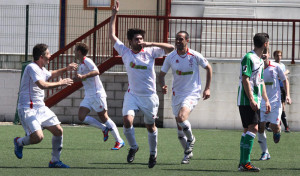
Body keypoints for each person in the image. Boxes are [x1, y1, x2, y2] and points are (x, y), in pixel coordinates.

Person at [109, 1, 174, 168]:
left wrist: (151, 43)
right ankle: (133, 147)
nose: (140, 41)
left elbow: (171, 48)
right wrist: (114, 14)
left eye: (141, 38)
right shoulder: (125, 52)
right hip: (132, 95)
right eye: (137, 39)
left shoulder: (150, 51)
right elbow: (112, 36)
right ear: (130, 41)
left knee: (150, 126)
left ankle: (153, 154)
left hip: (149, 96)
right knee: (126, 120)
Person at [14, 43, 78, 168]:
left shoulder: (41, 69)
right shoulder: (31, 67)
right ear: (41, 57)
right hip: (28, 108)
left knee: (58, 130)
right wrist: (61, 82)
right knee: (38, 137)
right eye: (48, 54)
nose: (50, 56)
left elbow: (51, 74)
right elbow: (42, 85)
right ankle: (19, 142)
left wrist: (66, 69)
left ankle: (54, 161)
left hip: (41, 108)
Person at [158, 31, 212, 164]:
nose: (178, 41)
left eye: (180, 39)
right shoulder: (170, 57)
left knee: (182, 118)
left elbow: (208, 68)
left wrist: (207, 88)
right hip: (177, 94)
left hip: (192, 93)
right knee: (179, 130)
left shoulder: (194, 55)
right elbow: (161, 74)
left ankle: (192, 139)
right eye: (176, 39)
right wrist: (162, 85)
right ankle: (187, 154)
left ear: (187, 40)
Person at [73, 42, 124, 150]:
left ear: (79, 52)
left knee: (104, 117)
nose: (73, 52)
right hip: (88, 95)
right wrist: (73, 79)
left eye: (75, 50)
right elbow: (82, 78)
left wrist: (83, 76)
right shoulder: (81, 65)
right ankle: (104, 129)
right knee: (81, 117)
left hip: (97, 94)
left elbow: (96, 71)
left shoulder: (87, 60)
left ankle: (119, 141)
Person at [237, 33, 271, 172]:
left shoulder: (260, 60)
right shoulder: (248, 57)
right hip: (246, 100)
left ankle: (242, 163)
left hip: (255, 100)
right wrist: (251, 99)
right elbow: (245, 79)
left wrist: (266, 100)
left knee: (247, 130)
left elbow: (260, 82)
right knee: (254, 128)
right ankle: (245, 163)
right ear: (265, 44)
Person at [257, 48, 292, 161]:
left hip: (275, 102)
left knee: (274, 126)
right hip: (261, 102)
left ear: (268, 54)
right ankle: (265, 152)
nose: (263, 55)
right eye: (261, 53)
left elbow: (285, 80)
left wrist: (287, 95)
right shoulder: (257, 68)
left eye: (265, 53)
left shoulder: (276, 67)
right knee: (260, 127)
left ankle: (278, 130)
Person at [273, 50, 291, 132]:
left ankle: (285, 126)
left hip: (282, 88)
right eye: (277, 55)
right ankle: (282, 126)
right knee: (277, 107)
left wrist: (285, 72)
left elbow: (285, 76)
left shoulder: (282, 65)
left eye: (280, 55)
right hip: (275, 88)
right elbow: (277, 76)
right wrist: (285, 73)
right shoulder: (273, 65)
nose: (279, 57)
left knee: (282, 107)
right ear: (274, 56)